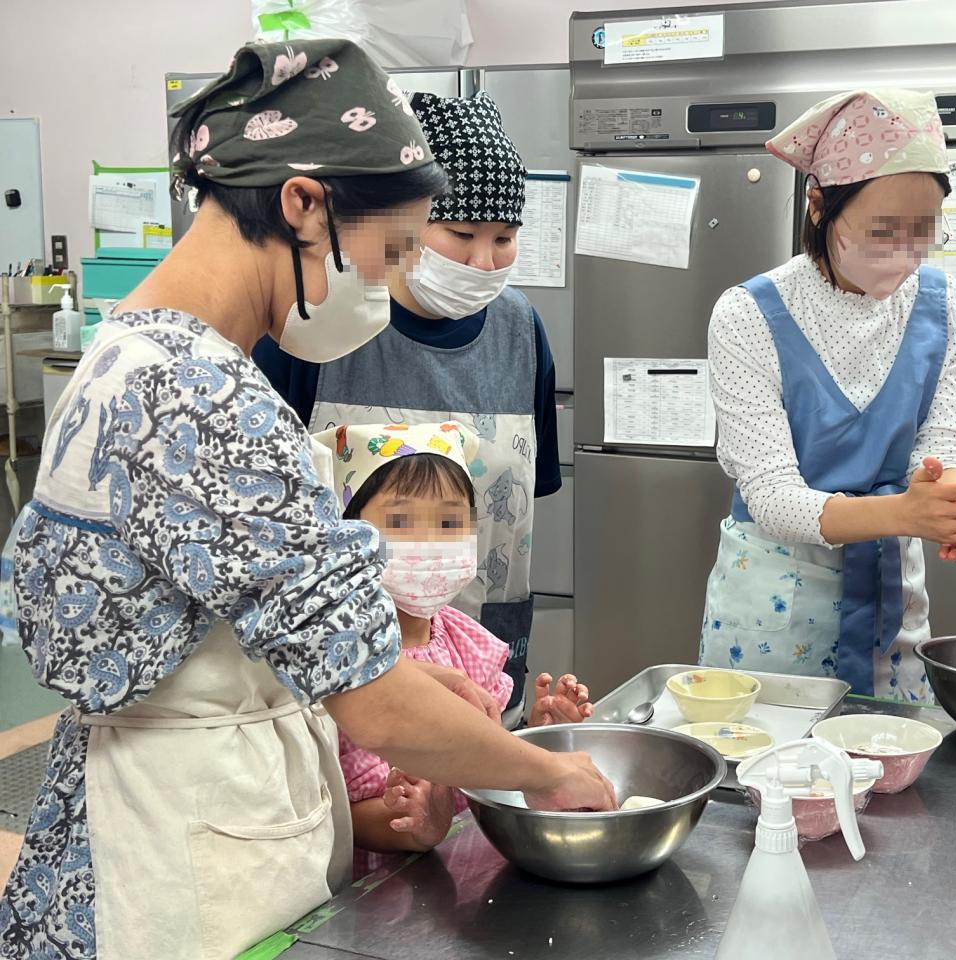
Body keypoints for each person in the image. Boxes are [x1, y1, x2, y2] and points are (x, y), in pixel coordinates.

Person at [0, 41, 613, 960]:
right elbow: (374, 707)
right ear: (302, 205)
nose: (386, 284)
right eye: (390, 251)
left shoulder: (128, 351)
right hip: (186, 842)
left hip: (131, 807)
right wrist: (547, 776)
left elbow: (216, 618)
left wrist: (396, 677)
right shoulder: (202, 396)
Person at [255, 92, 557, 722]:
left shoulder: (521, 332)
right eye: (461, 234)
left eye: (505, 238)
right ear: (405, 223)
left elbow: (523, 499)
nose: (483, 261)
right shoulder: (319, 325)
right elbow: (264, 515)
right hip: (348, 668)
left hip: (484, 652)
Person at [699, 89, 956, 702]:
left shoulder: (950, 307)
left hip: (892, 603)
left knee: (892, 755)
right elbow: (773, 499)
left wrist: (954, 505)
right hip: (773, 609)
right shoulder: (747, 315)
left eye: (924, 231)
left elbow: (940, 445)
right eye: (883, 231)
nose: (906, 253)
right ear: (819, 206)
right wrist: (908, 515)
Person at [312, 420, 593, 853]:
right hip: (379, 882)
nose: (429, 541)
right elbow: (336, 813)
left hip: (467, 862)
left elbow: (490, 759)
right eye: (401, 521)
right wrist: (416, 821)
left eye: (448, 521)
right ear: (348, 532)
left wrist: (539, 739)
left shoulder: (467, 641)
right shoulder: (334, 650)